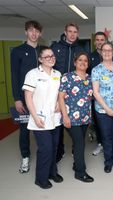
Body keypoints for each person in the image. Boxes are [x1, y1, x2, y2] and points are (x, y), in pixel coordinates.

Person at [22, 46, 63, 189]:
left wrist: (59, 102)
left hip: (55, 117)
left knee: (54, 147)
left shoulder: (58, 73)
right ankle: (40, 178)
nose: (51, 58)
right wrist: (34, 116)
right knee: (45, 149)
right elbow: (28, 97)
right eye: (47, 57)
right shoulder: (32, 74)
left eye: (52, 56)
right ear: (40, 59)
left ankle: (52, 172)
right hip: (39, 118)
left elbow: (59, 93)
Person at [11, 20, 43, 173]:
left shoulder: (44, 51)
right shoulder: (17, 51)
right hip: (24, 98)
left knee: (42, 126)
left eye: (37, 31)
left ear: (40, 33)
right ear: (26, 32)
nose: (34, 33)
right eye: (31, 30)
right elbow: (15, 76)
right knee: (24, 129)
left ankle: (45, 155)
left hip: (42, 98)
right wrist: (17, 98)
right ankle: (25, 157)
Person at [51, 22, 86, 163]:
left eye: (75, 32)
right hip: (56, 91)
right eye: (70, 31)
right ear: (65, 32)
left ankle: (75, 149)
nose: (72, 34)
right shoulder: (55, 47)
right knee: (59, 122)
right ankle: (59, 151)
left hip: (75, 93)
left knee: (76, 123)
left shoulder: (81, 49)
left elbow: (85, 70)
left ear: (77, 33)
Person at [92, 42, 113, 175]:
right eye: (104, 50)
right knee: (106, 137)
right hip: (102, 110)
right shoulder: (96, 70)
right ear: (100, 52)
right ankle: (108, 162)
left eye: (109, 50)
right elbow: (95, 92)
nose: (106, 52)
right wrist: (107, 108)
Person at [58, 52, 94, 183]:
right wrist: (65, 116)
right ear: (75, 62)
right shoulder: (67, 77)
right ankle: (80, 172)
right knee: (80, 143)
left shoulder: (90, 78)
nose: (83, 62)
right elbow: (60, 98)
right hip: (71, 118)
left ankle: (76, 164)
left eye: (85, 61)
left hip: (85, 118)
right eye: (80, 60)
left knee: (77, 142)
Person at [89, 31, 108, 156]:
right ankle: (101, 143)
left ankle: (111, 143)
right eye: (98, 40)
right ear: (94, 42)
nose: (100, 42)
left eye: (102, 39)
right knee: (98, 121)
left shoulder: (112, 55)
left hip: (110, 96)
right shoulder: (90, 57)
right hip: (95, 95)